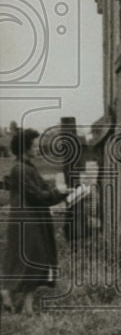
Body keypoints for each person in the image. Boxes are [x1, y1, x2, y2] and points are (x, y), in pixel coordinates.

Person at [2, 128, 68, 315]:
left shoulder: (27, 168)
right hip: (28, 222)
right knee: (30, 261)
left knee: (34, 262)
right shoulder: (20, 170)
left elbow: (42, 190)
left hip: (33, 220)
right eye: (34, 145)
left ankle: (27, 307)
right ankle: (6, 292)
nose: (38, 148)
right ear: (25, 148)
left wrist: (57, 192)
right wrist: (58, 193)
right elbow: (38, 196)